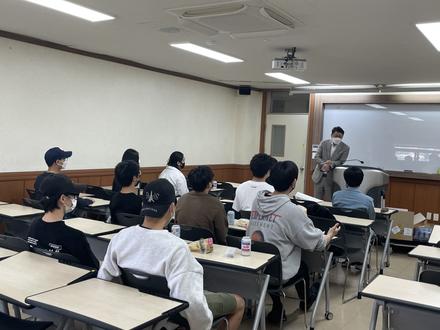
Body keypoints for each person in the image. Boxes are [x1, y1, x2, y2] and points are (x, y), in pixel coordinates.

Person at [98, 179, 245, 330]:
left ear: (143, 205)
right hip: (173, 311)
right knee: (239, 302)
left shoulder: (121, 236)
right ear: (172, 208)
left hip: (141, 306)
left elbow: (104, 277)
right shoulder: (176, 247)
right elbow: (191, 301)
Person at [247, 161, 340, 323]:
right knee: (303, 266)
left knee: (274, 261)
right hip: (277, 272)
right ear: (294, 182)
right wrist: (330, 235)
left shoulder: (258, 201)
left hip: (256, 266)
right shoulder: (292, 210)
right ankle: (307, 300)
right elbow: (317, 243)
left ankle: (278, 306)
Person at [27, 174, 99, 269]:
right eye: (72, 196)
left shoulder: (33, 225)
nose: (74, 200)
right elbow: (93, 267)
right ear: (63, 199)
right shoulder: (75, 237)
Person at [175, 166, 228, 245]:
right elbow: (222, 235)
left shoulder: (181, 199)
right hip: (208, 249)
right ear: (209, 184)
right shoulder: (216, 204)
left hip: (183, 245)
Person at [312, 126, 350, 201]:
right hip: (319, 176)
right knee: (316, 200)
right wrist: (323, 164)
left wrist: (332, 164)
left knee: (330, 201)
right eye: (335, 136)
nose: (337, 138)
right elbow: (317, 156)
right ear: (331, 135)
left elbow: (342, 161)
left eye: (340, 136)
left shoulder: (345, 148)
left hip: (332, 178)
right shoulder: (324, 143)